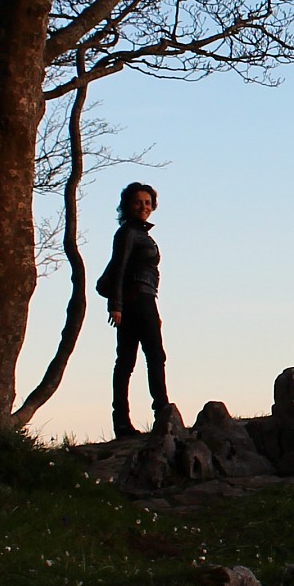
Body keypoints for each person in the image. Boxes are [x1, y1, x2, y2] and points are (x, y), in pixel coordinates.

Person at [98, 181, 171, 437]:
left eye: (148, 203)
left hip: (144, 300)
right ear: (128, 205)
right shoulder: (128, 233)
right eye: (138, 202)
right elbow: (119, 268)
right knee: (150, 357)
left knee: (130, 360)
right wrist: (115, 305)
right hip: (135, 301)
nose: (144, 207)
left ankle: (127, 421)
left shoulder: (141, 234)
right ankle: (161, 414)